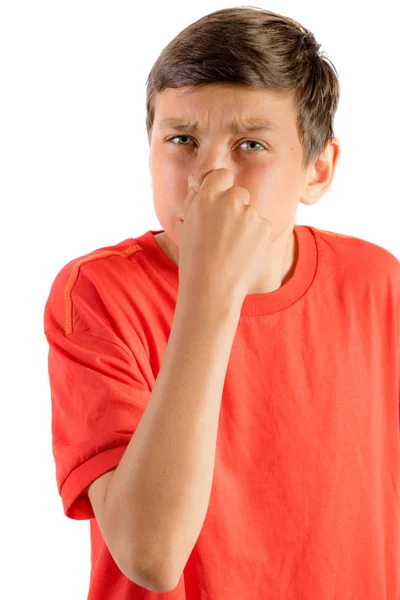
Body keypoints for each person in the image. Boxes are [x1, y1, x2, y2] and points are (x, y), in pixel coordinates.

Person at [43, 6, 400, 599]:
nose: (209, 176)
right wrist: (211, 286)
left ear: (318, 170)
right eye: (181, 139)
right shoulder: (99, 294)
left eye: (251, 144)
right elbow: (150, 556)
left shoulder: (376, 283)